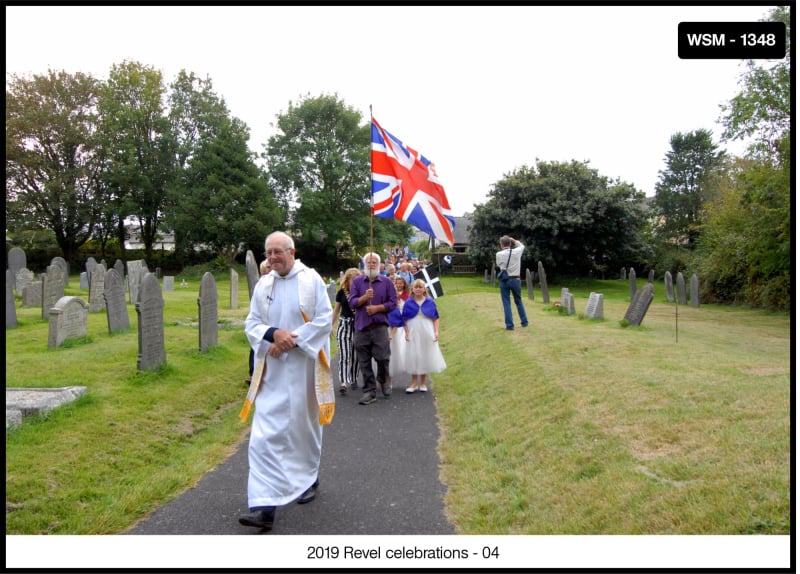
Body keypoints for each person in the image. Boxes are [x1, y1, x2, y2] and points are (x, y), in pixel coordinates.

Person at [239, 231, 333, 532]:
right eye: (268, 253)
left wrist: (289, 341)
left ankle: (309, 478)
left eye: (278, 252)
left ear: (292, 252)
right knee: (263, 436)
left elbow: (323, 320)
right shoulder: (264, 285)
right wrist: (271, 336)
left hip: (304, 370)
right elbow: (252, 323)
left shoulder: (312, 280)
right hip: (274, 371)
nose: (272, 258)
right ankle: (264, 507)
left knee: (303, 430)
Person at [349, 252, 397, 405]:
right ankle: (369, 391)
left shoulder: (387, 282)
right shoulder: (357, 282)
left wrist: (378, 308)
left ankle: (383, 380)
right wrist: (364, 298)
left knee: (383, 358)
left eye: (374, 262)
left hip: (379, 327)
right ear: (364, 264)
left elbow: (393, 303)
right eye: (368, 262)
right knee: (364, 361)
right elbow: (352, 302)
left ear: (379, 264)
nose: (371, 264)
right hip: (361, 327)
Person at [402, 279, 447, 393]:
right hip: (413, 330)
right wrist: (406, 333)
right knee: (414, 355)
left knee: (424, 354)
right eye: (416, 287)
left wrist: (436, 332)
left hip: (427, 330)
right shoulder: (408, 302)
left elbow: (435, 318)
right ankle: (413, 383)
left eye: (420, 287)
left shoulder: (430, 302)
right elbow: (404, 319)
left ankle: (422, 382)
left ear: (424, 289)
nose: (418, 289)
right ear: (412, 289)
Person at [331, 267, 361, 394]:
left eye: (356, 280)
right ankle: (343, 381)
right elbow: (336, 310)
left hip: (358, 326)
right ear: (347, 280)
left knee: (355, 356)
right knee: (344, 354)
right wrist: (330, 326)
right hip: (344, 325)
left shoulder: (362, 293)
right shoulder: (342, 293)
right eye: (352, 280)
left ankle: (353, 378)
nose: (354, 282)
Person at [246, 259, 272, 386]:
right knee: (255, 347)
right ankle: (253, 374)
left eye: (268, 270)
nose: (266, 275)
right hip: (262, 325)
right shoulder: (261, 286)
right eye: (263, 273)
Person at [496, 235, 529, 331]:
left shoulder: (499, 254)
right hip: (516, 279)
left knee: (506, 303)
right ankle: (524, 322)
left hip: (504, 280)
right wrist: (514, 240)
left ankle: (509, 325)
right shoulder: (517, 252)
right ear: (510, 243)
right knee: (518, 301)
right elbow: (522, 246)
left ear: (501, 245)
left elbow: (499, 265)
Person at [387, 276, 411, 388]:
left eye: (401, 283)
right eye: (397, 283)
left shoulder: (406, 296)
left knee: (397, 345)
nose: (399, 285)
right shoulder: (392, 297)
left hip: (399, 319)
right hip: (390, 320)